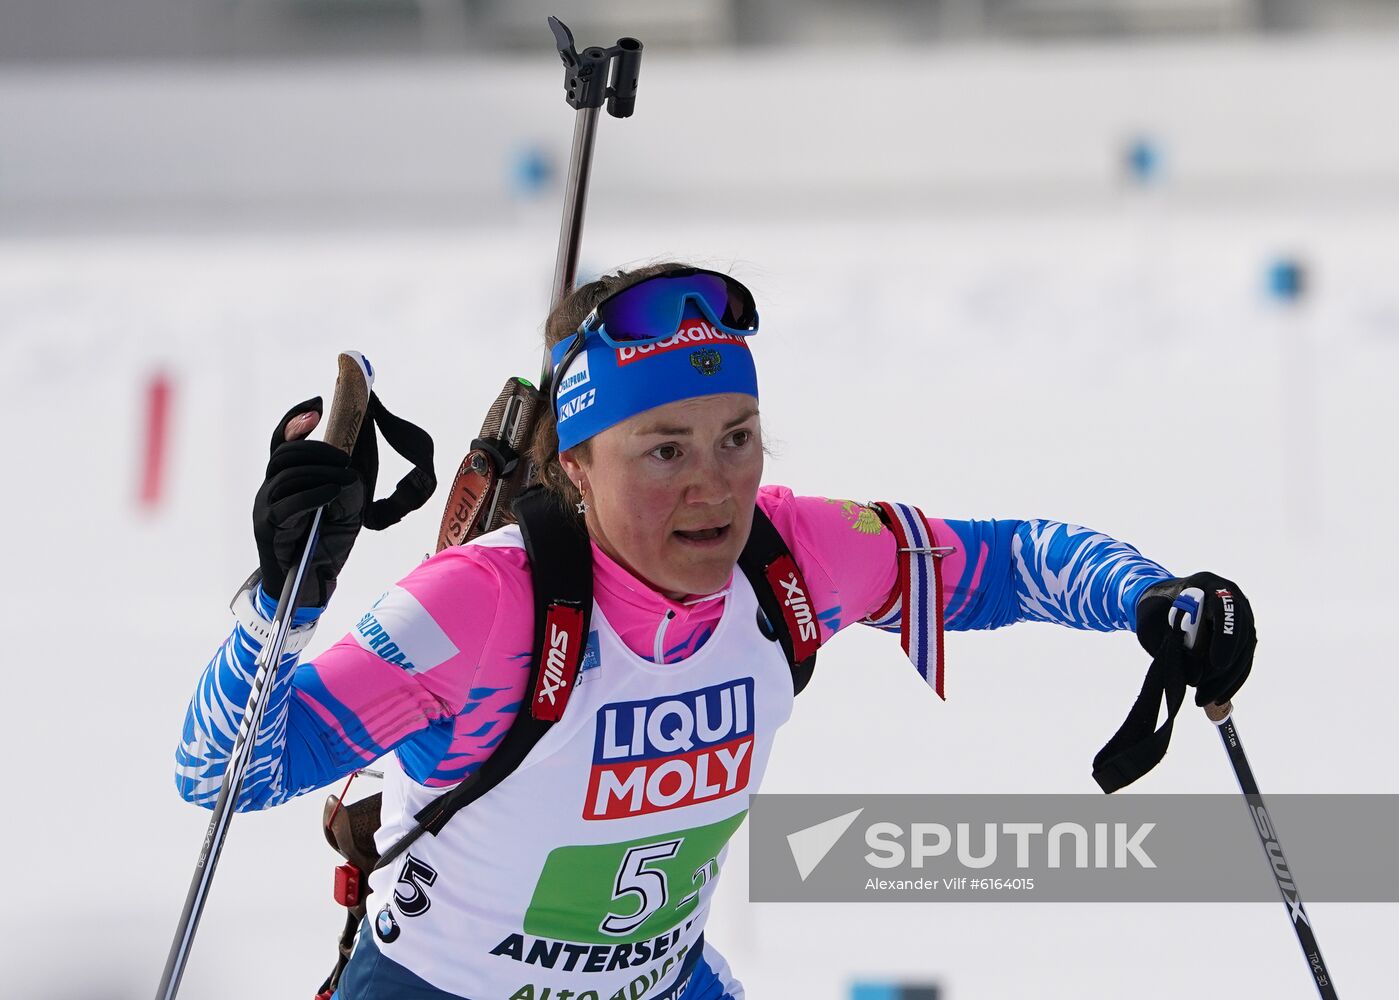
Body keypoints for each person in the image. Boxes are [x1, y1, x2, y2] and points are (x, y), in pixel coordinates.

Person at [176, 262, 1258, 1000]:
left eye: (736, 436)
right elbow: (222, 771)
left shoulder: (788, 557)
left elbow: (1000, 558)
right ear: (575, 466)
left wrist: (1150, 598)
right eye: (662, 448)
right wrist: (282, 600)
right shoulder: (482, 601)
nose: (712, 484)